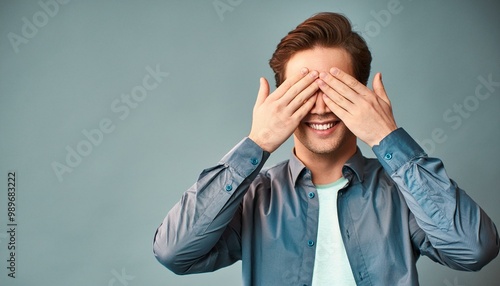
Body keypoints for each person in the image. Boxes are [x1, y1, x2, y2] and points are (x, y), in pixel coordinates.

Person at [153, 12, 499, 285]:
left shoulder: (401, 194)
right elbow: (174, 252)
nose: (320, 107)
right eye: (303, 91)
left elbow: (475, 250)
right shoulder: (254, 199)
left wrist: (387, 136)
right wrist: (256, 144)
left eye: (335, 88)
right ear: (281, 100)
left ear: (362, 95)